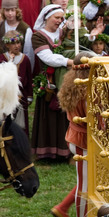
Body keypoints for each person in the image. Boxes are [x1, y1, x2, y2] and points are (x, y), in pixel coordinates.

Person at [51, 52, 95, 217]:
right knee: (85, 184)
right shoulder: (85, 90)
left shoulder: (73, 83)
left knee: (87, 180)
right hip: (81, 142)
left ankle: (63, 208)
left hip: (76, 138)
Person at [31, 4, 73, 160]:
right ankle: (47, 152)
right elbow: (48, 58)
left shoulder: (64, 33)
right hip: (49, 83)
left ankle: (66, 151)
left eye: (62, 18)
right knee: (49, 115)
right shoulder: (38, 36)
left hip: (65, 81)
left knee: (65, 115)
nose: (60, 21)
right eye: (57, 18)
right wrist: (69, 62)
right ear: (47, 17)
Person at [0, 30, 32, 136]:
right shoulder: (2, 58)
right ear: (7, 44)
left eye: (18, 43)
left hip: (21, 96)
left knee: (20, 120)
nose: (17, 46)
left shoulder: (25, 59)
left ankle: (20, 142)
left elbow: (28, 77)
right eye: (13, 43)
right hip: (5, 96)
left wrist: (29, 95)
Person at [0, 0, 34, 71]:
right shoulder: (1, 26)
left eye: (12, 10)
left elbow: (29, 53)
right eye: (7, 10)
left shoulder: (25, 29)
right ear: (3, 11)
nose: (10, 13)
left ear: (17, 11)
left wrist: (28, 71)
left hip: (19, 68)